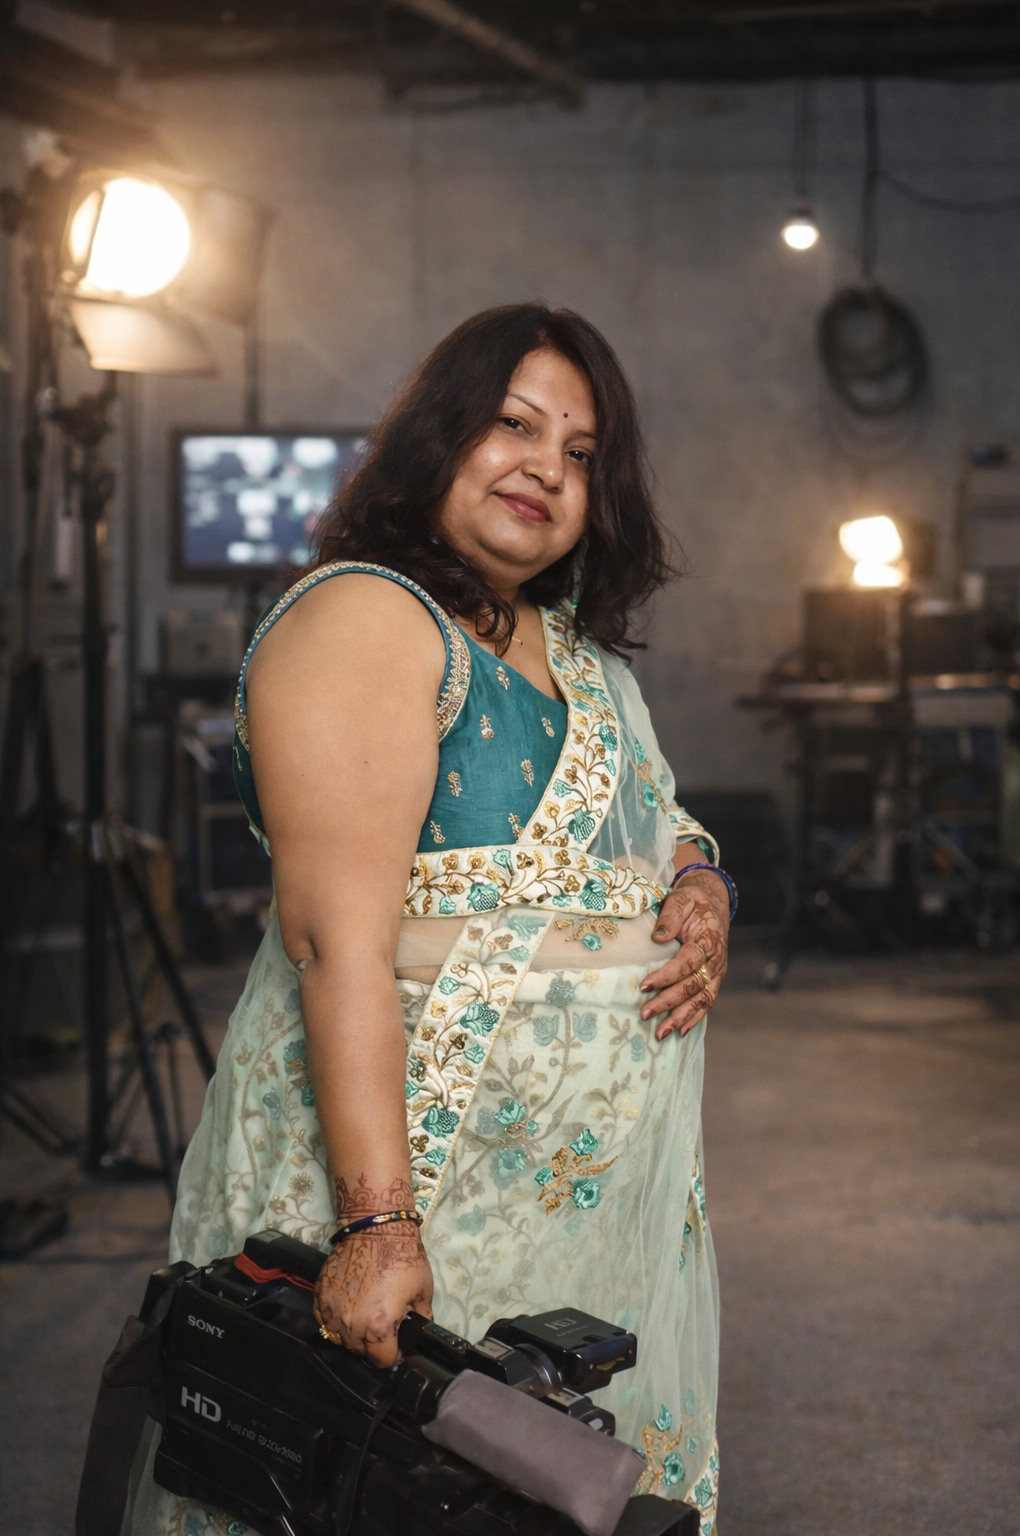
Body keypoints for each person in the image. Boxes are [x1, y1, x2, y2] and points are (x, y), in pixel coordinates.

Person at [130, 303, 732, 1536]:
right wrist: (375, 1224)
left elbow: (659, 825)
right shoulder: (367, 617)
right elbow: (334, 942)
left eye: (579, 452)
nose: (545, 467)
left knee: (546, 1488)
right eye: (514, 425)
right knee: (386, 1479)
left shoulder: (581, 656)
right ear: (438, 436)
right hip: (422, 1190)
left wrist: (704, 887)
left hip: (576, 1219)